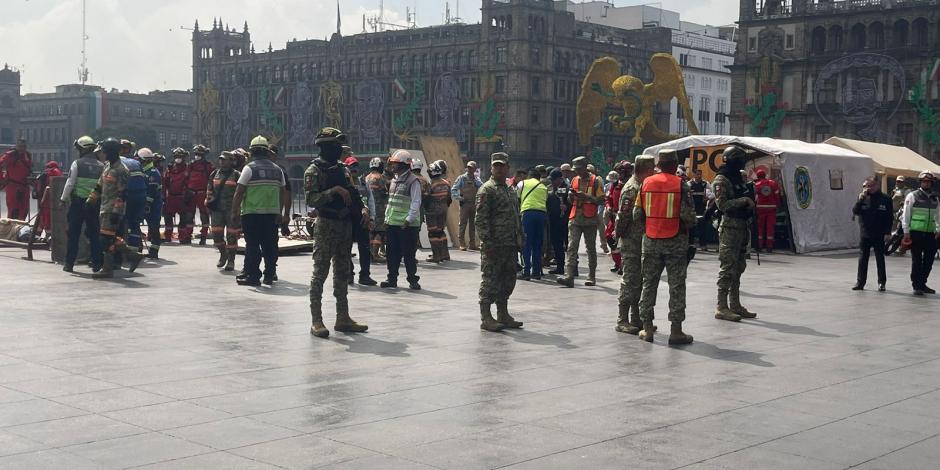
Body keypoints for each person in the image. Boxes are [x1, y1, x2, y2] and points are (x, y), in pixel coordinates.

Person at [304, 127, 369, 337]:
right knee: (320, 272)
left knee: (342, 271)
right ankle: (317, 320)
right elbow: (311, 200)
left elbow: (353, 191)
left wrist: (364, 208)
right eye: (335, 145)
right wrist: (333, 191)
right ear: (325, 147)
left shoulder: (344, 169)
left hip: (345, 225)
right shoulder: (313, 171)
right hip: (327, 225)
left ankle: (343, 317)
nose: (339, 149)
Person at [634, 150, 696, 344]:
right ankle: (676, 331)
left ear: (659, 164)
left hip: (651, 241)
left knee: (648, 284)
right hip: (675, 242)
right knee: (676, 286)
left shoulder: (646, 183)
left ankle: (647, 329)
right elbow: (689, 217)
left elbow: (637, 215)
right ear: (675, 164)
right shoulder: (681, 185)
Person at [232, 136, 290, 286]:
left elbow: (239, 192)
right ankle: (269, 275)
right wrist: (280, 213)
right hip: (271, 215)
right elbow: (283, 193)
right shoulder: (278, 170)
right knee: (270, 246)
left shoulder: (249, 168)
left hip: (251, 214)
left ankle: (253, 277)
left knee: (252, 245)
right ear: (266, 152)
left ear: (252, 152)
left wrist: (234, 212)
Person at [476, 152, 524, 332]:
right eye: (495, 165)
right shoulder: (487, 190)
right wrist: (487, 243)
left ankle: (502, 313)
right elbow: (481, 220)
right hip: (494, 245)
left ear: (507, 167)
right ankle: (486, 317)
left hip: (510, 243)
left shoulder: (510, 189)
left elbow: (515, 216)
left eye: (502, 165)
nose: (498, 168)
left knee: (508, 279)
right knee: (490, 279)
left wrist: (520, 237)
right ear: (491, 167)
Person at [87, 138, 143, 278]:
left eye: (105, 152)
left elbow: (122, 193)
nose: (103, 154)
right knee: (109, 238)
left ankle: (108, 269)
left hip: (113, 210)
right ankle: (132, 255)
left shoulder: (121, 170)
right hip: (104, 207)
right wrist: (91, 199)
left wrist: (117, 212)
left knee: (105, 239)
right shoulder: (107, 167)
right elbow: (99, 185)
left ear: (112, 152)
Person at [713, 145, 757, 322]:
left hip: (741, 226)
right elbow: (722, 205)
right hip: (730, 228)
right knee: (727, 268)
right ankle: (721, 306)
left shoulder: (738, 177)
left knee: (739, 268)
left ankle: (735, 304)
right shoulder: (721, 180)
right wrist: (744, 200)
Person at [615, 156, 655, 334]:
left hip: (640, 240)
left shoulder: (643, 185)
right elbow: (622, 217)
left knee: (639, 280)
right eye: (651, 168)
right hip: (631, 241)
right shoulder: (632, 188)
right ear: (645, 169)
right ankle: (622, 319)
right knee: (630, 280)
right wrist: (619, 236)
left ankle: (636, 317)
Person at [558, 156, 605, 287]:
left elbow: (601, 200)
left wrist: (586, 196)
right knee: (572, 247)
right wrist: (571, 197)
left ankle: (591, 276)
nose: (577, 172)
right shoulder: (574, 179)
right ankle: (569, 276)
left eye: (579, 169)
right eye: (575, 169)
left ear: (585, 167)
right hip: (575, 217)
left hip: (590, 218)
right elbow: (570, 201)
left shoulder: (596, 181)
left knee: (590, 249)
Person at [60, 136, 104, 272]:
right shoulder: (101, 166)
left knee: (73, 234)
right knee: (94, 234)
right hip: (94, 204)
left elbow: (70, 183)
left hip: (78, 204)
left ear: (82, 149)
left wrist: (63, 199)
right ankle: (97, 264)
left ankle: (69, 264)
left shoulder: (77, 163)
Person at [381, 150, 423, 290]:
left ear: (404, 165)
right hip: (393, 223)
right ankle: (391, 279)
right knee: (392, 253)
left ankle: (412, 280)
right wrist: (387, 218)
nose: (392, 166)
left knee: (408, 254)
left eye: (395, 163)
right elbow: (391, 201)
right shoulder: (394, 180)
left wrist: (409, 220)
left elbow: (416, 202)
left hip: (407, 225)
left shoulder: (413, 180)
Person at [901, 171, 940, 295]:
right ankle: (917, 285)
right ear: (920, 182)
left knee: (929, 261)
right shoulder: (912, 196)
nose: (926, 183)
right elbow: (906, 215)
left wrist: (938, 229)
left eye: (928, 182)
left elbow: (938, 216)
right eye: (924, 181)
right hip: (916, 232)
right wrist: (906, 231)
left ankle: (922, 283)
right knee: (916, 260)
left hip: (931, 234)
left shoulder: (935, 198)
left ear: (932, 183)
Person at [852, 176, 893, 291]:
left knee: (880, 258)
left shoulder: (885, 199)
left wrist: (888, 232)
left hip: (879, 234)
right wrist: (860, 200)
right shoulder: (863, 198)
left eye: (870, 186)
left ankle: (881, 282)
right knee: (863, 259)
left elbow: (889, 217)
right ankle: (860, 282)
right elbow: (855, 211)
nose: (867, 188)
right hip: (865, 233)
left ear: (876, 185)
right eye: (865, 186)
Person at [344, 152, 378, 286]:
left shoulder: (364, 182)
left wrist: (372, 217)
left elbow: (371, 200)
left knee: (364, 248)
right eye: (351, 167)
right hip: (347, 220)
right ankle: (349, 274)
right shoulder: (344, 184)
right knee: (346, 248)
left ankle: (365, 275)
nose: (354, 169)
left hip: (363, 220)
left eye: (356, 166)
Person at [206, 151, 241, 271]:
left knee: (232, 236)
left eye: (225, 159)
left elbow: (241, 193)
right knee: (217, 235)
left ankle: (231, 260)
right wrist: (208, 203)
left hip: (231, 210)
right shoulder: (214, 174)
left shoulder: (237, 175)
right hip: (217, 210)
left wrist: (238, 210)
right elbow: (209, 190)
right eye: (221, 159)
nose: (222, 161)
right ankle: (223, 254)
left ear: (231, 161)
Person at [518, 167, 548, 280]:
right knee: (537, 244)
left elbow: (517, 197)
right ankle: (536, 272)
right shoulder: (543, 187)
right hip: (541, 215)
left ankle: (526, 272)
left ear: (529, 176)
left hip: (527, 213)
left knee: (526, 243)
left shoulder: (523, 183)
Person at [120, 141, 147, 256]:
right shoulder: (136, 163)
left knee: (120, 223)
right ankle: (134, 252)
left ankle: (122, 252)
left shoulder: (117, 162)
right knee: (135, 224)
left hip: (128, 196)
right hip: (141, 196)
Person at [185, 144, 214, 245]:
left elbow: (212, 181)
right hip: (191, 193)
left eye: (199, 154)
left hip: (202, 193)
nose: (197, 156)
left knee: (204, 216)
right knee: (189, 216)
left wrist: (210, 195)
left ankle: (203, 237)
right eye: (196, 154)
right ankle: (187, 236)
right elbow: (186, 179)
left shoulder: (208, 166)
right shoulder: (191, 165)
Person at [426, 161, 453, 263]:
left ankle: (436, 256)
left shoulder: (431, 185)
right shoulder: (446, 183)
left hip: (433, 212)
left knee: (433, 233)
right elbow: (449, 199)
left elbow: (427, 198)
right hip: (443, 210)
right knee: (441, 231)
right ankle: (445, 254)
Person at [452, 161, 483, 250]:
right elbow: (454, 189)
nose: (470, 169)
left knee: (473, 224)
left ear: (474, 169)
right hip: (464, 204)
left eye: (472, 168)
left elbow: (482, 188)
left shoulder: (477, 179)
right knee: (462, 224)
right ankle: (462, 243)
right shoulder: (462, 178)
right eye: (469, 167)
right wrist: (460, 198)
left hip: (474, 204)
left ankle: (472, 243)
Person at [0, 139, 32, 220]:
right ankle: (11, 231)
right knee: (13, 212)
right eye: (20, 146)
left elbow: (29, 170)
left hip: (24, 187)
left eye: (24, 146)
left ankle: (20, 230)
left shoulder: (27, 155)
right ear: (16, 146)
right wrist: (2, 179)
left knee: (24, 211)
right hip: (13, 187)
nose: (22, 148)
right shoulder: (10, 155)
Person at [140, 149, 164, 259]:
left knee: (154, 228)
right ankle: (139, 249)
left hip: (153, 206)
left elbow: (152, 190)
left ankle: (154, 252)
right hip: (145, 204)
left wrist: (147, 204)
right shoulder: (145, 171)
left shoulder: (153, 173)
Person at [365, 157, 390, 263]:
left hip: (369, 208)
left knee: (371, 231)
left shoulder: (366, 178)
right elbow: (386, 193)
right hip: (380, 208)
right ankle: (375, 254)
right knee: (380, 231)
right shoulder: (381, 178)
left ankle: (370, 253)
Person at [162, 148, 189, 243]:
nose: (178, 158)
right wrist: (164, 196)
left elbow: (189, 183)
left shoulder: (187, 169)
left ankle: (182, 238)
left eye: (180, 157)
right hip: (171, 197)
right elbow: (165, 183)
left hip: (182, 197)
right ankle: (168, 237)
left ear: (184, 157)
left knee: (183, 219)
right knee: (168, 218)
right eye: (176, 157)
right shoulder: (169, 169)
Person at [546, 169, 569, 275]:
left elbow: (570, 203)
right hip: (553, 220)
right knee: (557, 244)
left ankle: (572, 267)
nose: (552, 182)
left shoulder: (566, 189)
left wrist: (566, 206)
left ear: (559, 179)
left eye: (554, 180)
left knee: (568, 244)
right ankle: (560, 266)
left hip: (564, 220)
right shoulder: (549, 189)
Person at [753, 169, 781, 253]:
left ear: (758, 176)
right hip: (772, 209)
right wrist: (778, 205)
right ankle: (769, 247)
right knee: (770, 228)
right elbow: (777, 196)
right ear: (765, 175)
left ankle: (759, 246)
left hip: (760, 209)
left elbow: (754, 198)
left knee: (760, 228)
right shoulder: (773, 183)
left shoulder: (756, 185)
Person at [35, 161, 62, 239]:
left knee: (42, 216)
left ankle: (37, 236)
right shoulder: (56, 171)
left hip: (42, 198)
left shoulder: (43, 173)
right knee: (48, 217)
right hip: (50, 198)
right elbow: (60, 182)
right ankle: (49, 238)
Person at [689, 169, 711, 250]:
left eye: (700, 174)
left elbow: (712, 195)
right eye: (697, 174)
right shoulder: (689, 184)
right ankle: (690, 244)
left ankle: (703, 245)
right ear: (694, 175)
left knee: (702, 227)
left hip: (701, 209)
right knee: (691, 227)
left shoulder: (705, 184)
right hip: (692, 209)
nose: (699, 176)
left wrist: (707, 200)